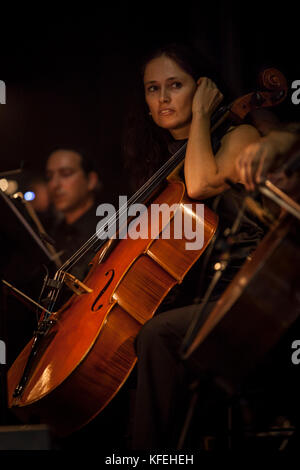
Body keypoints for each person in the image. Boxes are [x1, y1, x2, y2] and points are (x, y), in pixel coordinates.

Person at [122, 43, 265, 450]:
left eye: (176, 85)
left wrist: (202, 115)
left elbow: (200, 184)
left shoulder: (241, 135)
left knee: (158, 336)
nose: (163, 99)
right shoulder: (158, 162)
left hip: (244, 293)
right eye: (153, 89)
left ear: (202, 88)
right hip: (197, 294)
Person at [45, 147, 101, 280]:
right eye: (49, 177)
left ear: (91, 180)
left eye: (66, 174)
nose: (54, 184)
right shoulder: (52, 234)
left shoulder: (111, 229)